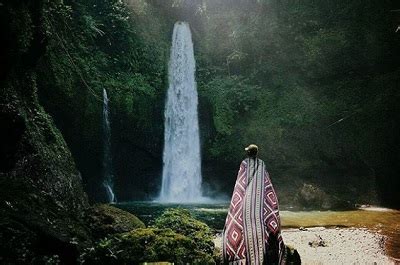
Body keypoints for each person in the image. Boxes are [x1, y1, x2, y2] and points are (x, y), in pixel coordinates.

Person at [222, 144, 285, 265]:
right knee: (261, 220)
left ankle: (243, 251)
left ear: (248, 153)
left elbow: (240, 183)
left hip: (247, 197)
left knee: (242, 221)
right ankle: (262, 248)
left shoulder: (244, 164)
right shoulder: (261, 163)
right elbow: (265, 181)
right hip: (259, 197)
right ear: (256, 153)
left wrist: (238, 198)